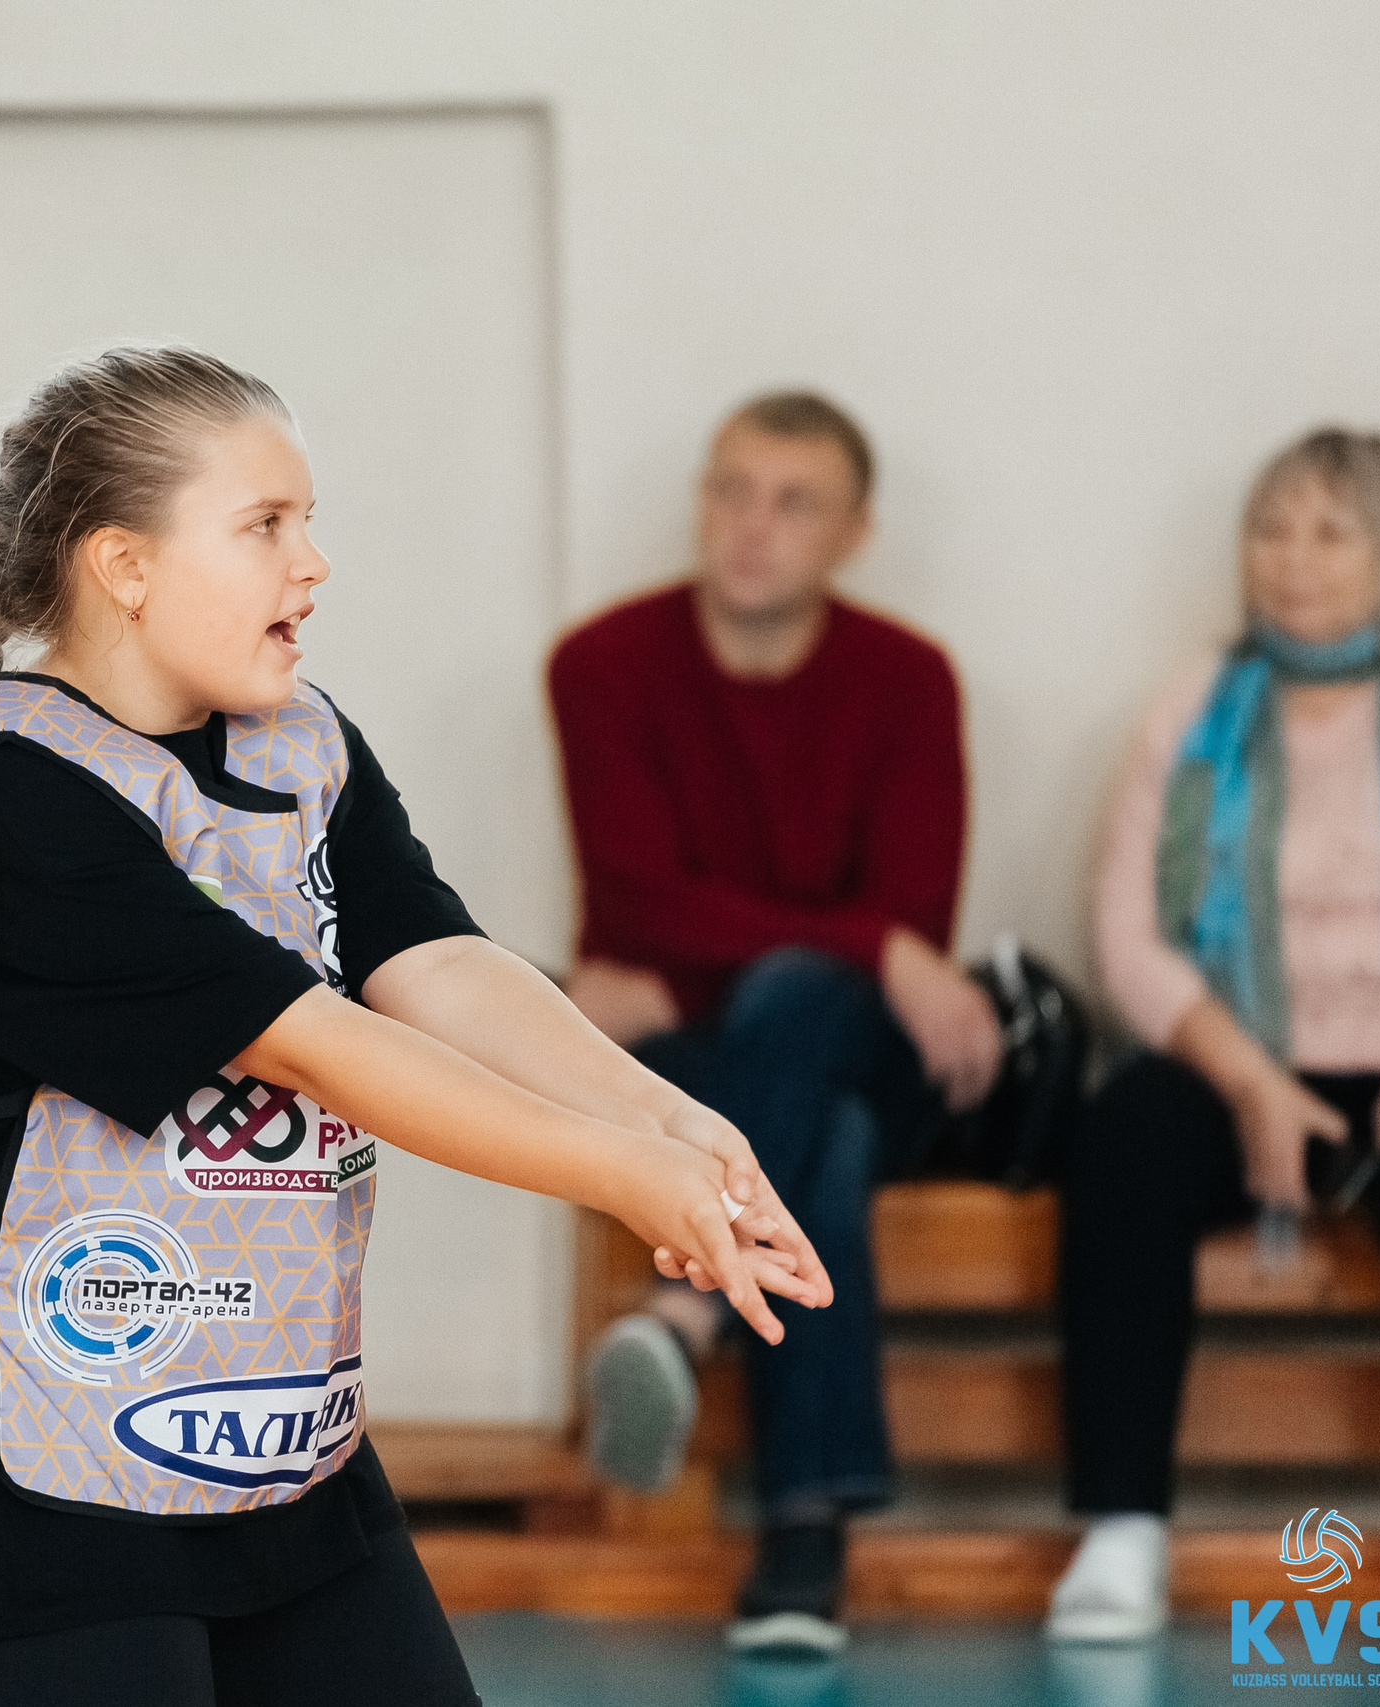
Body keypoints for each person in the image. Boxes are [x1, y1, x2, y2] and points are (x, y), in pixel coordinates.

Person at [0, 346, 832, 1706]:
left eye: (308, 520)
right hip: (35, 1444)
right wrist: (617, 1175)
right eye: (266, 526)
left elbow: (440, 965)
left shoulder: (305, 750)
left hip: (278, 1437)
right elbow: (312, 1039)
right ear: (124, 565)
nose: (315, 563)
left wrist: (675, 1119)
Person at [550, 391, 1003, 1654]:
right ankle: (804, 1546)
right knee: (826, 1128)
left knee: (804, 1007)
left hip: (857, 1044)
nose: (751, 527)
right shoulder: (601, 666)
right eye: (729, 491)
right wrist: (874, 949)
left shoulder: (908, 682)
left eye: (792, 502)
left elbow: (902, 915)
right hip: (707, 1075)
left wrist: (827, 954)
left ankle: (689, 1317)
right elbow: (639, 896)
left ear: (852, 532)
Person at [1048, 428, 1380, 1643]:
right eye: (1269, 528)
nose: (1291, 558)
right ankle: (1120, 1530)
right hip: (1241, 1057)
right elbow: (1127, 935)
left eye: (1328, 531)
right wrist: (1254, 1084)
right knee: (1119, 1144)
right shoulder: (1193, 713)